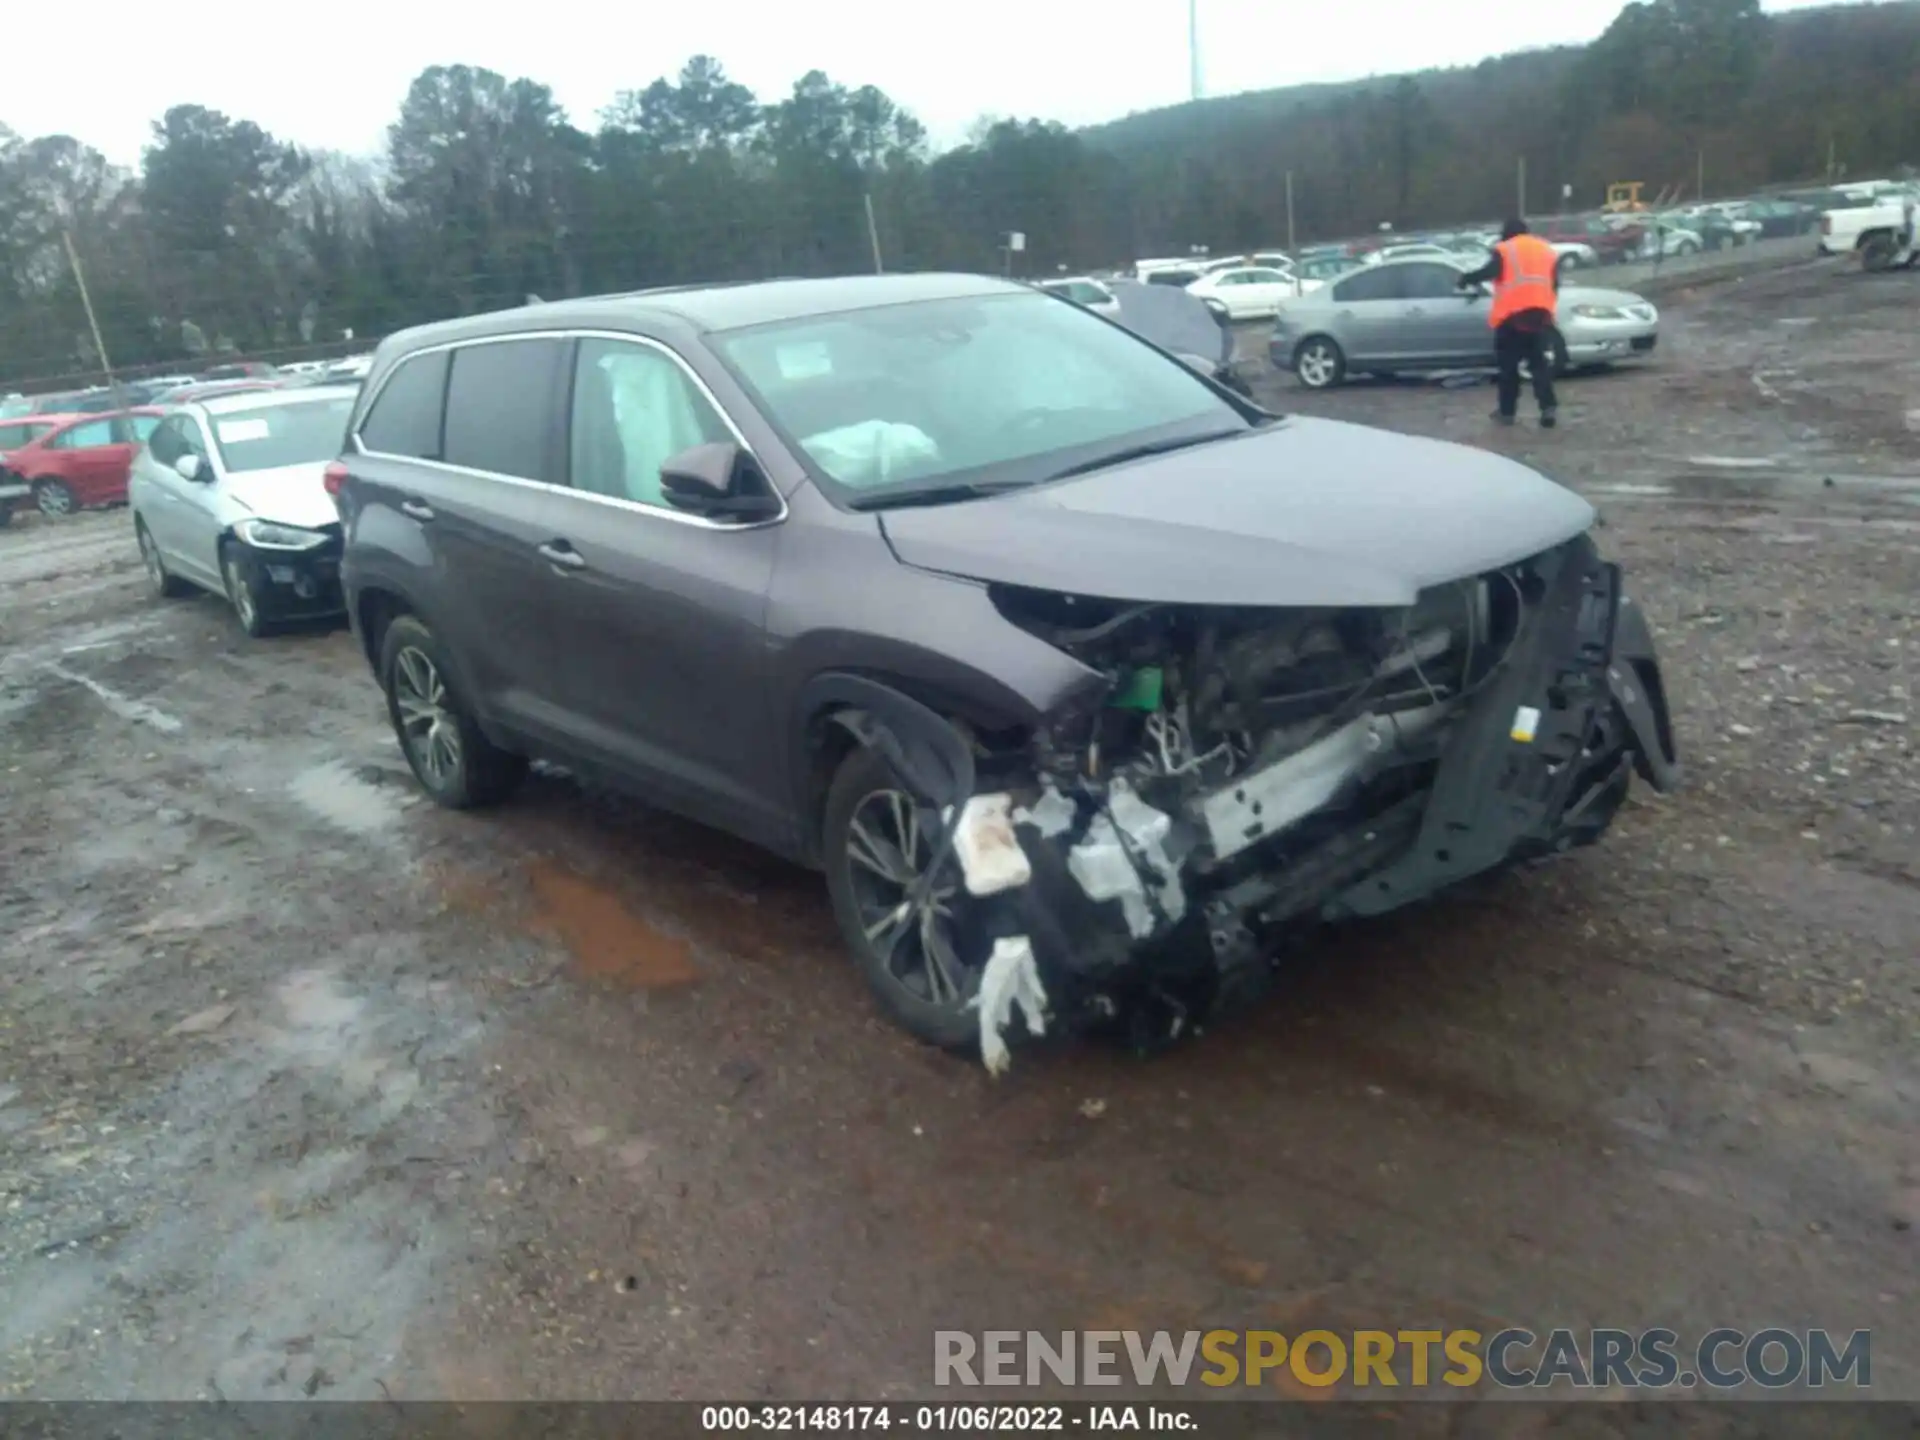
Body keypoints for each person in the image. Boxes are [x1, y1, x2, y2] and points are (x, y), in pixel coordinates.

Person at [1457, 218, 1560, 428]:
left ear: (1506, 233)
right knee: (1539, 366)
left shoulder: (1505, 250)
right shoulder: (1545, 249)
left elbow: (1489, 272)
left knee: (1509, 369)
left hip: (1512, 318)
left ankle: (1507, 412)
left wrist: (1466, 279)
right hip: (1540, 315)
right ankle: (1548, 408)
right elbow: (1554, 283)